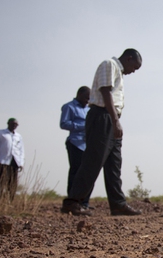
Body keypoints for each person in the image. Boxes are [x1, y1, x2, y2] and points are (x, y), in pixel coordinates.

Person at [61, 48, 143, 216]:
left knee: (114, 164)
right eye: (134, 67)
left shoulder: (118, 72)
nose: (133, 72)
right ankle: (73, 202)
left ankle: (118, 204)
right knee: (93, 161)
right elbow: (105, 91)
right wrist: (114, 120)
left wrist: (115, 121)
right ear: (128, 59)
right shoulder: (110, 64)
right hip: (103, 117)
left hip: (111, 118)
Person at [60, 86, 92, 209]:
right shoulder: (69, 107)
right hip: (75, 143)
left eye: (89, 99)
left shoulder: (89, 109)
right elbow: (64, 124)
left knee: (88, 173)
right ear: (79, 94)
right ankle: (72, 202)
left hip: (88, 145)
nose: (87, 101)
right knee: (76, 172)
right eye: (86, 98)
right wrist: (83, 126)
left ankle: (84, 202)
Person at [0, 118, 24, 201]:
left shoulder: (18, 136)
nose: (14, 126)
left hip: (15, 161)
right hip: (3, 161)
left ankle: (10, 201)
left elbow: (21, 150)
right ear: (8, 123)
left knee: (13, 183)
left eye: (16, 124)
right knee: (1, 182)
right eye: (12, 124)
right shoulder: (0, 133)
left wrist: (21, 163)